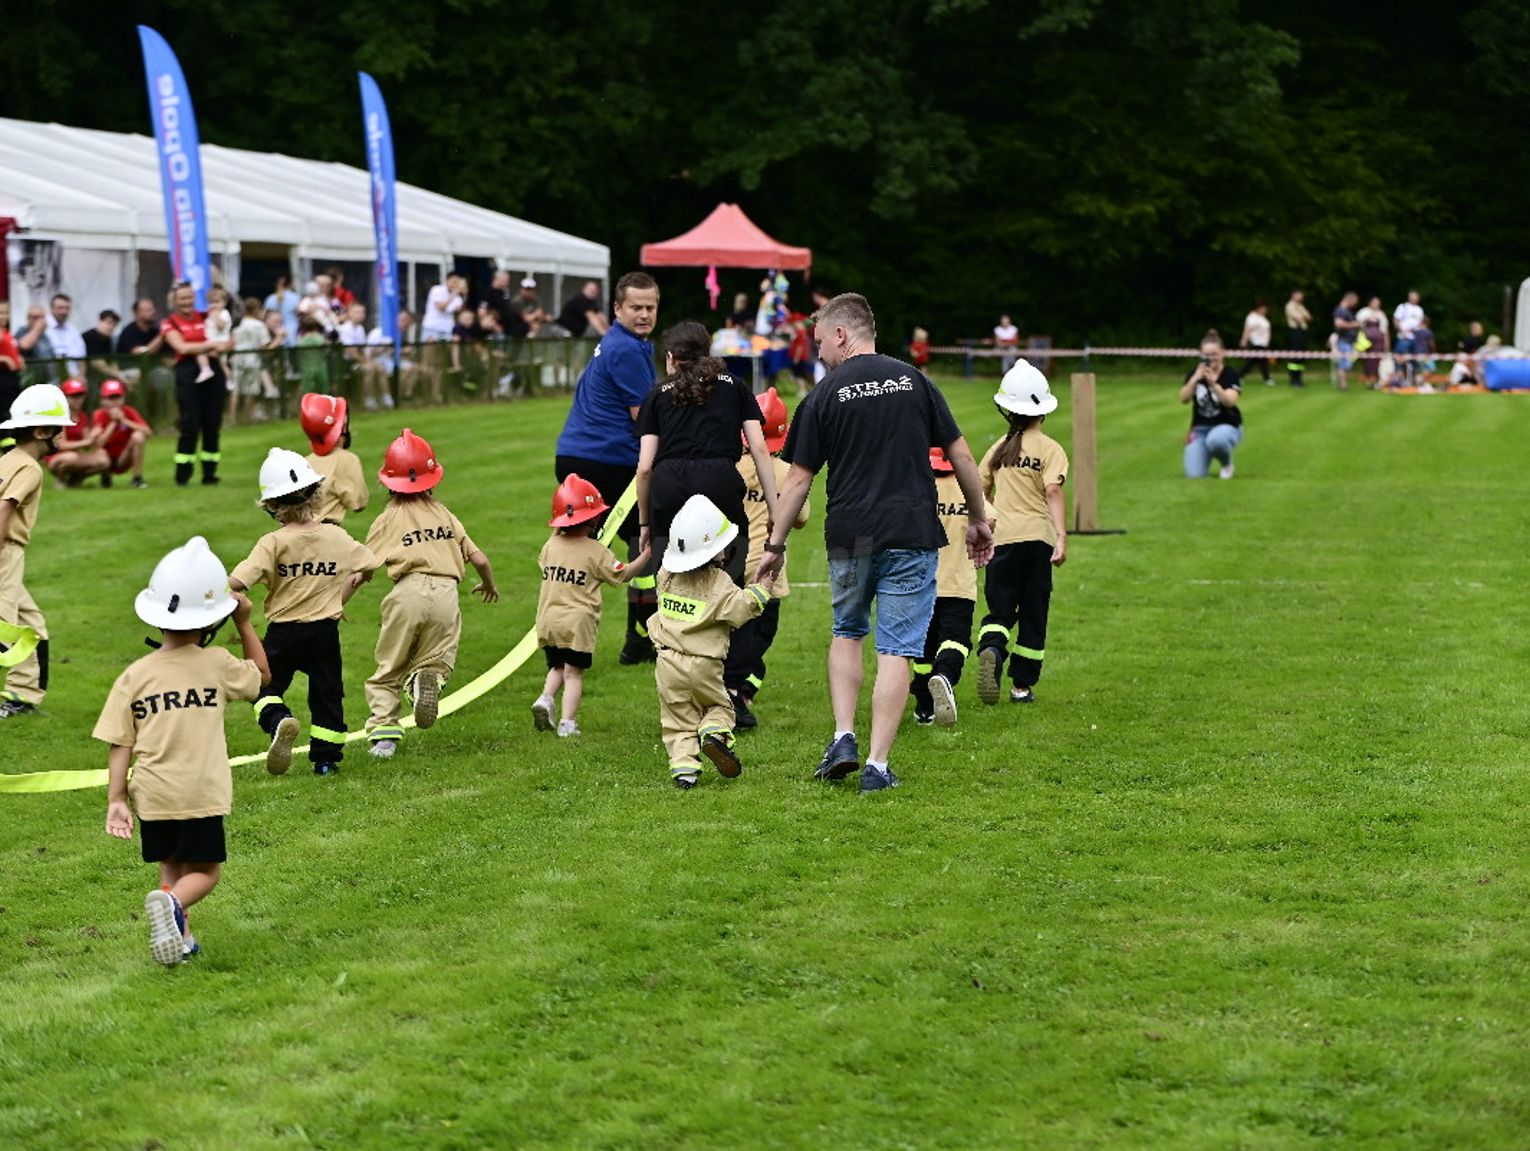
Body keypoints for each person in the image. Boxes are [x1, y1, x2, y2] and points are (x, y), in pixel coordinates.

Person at [757, 292, 994, 793]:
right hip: (911, 532)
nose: (819, 353)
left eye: (820, 342)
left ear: (841, 335)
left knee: (847, 630)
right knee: (897, 648)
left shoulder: (821, 397)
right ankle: (878, 766)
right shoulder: (915, 381)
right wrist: (978, 518)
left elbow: (798, 481)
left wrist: (774, 547)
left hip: (850, 533)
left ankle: (843, 737)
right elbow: (963, 457)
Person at [97, 536, 271, 965]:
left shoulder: (135, 675)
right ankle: (174, 909)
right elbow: (262, 677)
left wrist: (116, 799)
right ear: (213, 617)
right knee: (205, 872)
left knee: (171, 869)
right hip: (199, 790)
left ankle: (181, 941)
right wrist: (245, 623)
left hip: (153, 794)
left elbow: (121, 743)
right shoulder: (215, 663)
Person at [228, 449, 378, 777]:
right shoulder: (336, 536)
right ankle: (326, 761)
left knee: (262, 688)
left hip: (284, 632)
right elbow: (369, 563)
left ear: (272, 505)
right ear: (317, 493)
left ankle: (278, 720)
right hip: (324, 631)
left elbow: (237, 582)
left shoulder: (272, 543)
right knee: (327, 695)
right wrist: (354, 582)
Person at [364, 428, 498, 758]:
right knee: (435, 661)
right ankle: (425, 681)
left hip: (407, 592)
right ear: (432, 476)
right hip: (447, 593)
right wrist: (489, 585)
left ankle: (384, 737)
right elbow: (479, 558)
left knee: (389, 665)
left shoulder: (387, 519)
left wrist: (335, 603)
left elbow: (362, 570)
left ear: (387, 481)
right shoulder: (444, 514)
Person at [553, 270, 661, 663]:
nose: (644, 314)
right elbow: (645, 419)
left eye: (650, 307)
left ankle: (568, 638)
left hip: (580, 456)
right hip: (604, 461)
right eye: (636, 307)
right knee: (645, 543)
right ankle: (637, 637)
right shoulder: (628, 350)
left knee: (586, 551)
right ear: (617, 309)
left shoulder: (625, 342)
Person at [635, 320, 780, 587]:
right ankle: (728, 621)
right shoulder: (735, 386)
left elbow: (644, 467)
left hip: (669, 484)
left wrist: (645, 524)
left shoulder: (656, 395)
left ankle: (672, 623)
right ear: (708, 353)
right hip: (719, 480)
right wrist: (774, 508)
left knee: (668, 578)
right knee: (731, 572)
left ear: (670, 357)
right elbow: (759, 448)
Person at [649, 493, 773, 789]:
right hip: (704, 664)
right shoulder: (719, 583)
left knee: (677, 720)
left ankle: (685, 772)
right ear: (715, 552)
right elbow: (742, 608)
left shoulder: (665, 576)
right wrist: (763, 590)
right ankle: (713, 735)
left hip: (667, 663)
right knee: (720, 707)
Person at [976, 363, 1069, 706]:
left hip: (1003, 541)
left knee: (999, 610)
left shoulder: (999, 448)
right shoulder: (1050, 449)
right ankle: (1021, 686)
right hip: (1038, 542)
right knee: (1033, 612)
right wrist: (1061, 536)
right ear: (1042, 411)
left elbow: (978, 487)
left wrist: (985, 521)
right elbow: (1053, 492)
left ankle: (991, 648)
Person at [532, 474, 651, 737]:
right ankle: (567, 724)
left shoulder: (551, 546)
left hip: (548, 620)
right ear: (596, 518)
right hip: (577, 623)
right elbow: (624, 573)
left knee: (557, 667)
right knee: (574, 674)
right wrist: (647, 554)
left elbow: (547, 554)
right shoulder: (597, 552)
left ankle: (545, 698)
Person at [723, 387, 808, 729]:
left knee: (734, 630)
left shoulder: (732, 464)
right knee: (762, 630)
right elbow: (801, 518)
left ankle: (737, 688)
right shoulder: (787, 470)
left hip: (731, 562)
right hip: (768, 565)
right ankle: (733, 691)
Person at [0, 384, 74, 718]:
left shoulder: (8, 459)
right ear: (42, 431)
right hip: (5, 550)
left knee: (32, 625)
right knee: (2, 626)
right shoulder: (29, 468)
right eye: (60, 429)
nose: (63, 435)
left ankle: (22, 695)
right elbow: (6, 507)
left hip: (8, 551)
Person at [911, 447, 976, 726]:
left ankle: (924, 707)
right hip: (959, 584)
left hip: (920, 583)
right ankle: (946, 677)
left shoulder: (917, 489)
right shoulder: (966, 489)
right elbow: (990, 519)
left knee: (923, 649)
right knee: (956, 640)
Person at [161, 283, 229, 486]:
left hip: (214, 369)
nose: (187, 302)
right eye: (182, 298)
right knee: (190, 423)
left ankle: (210, 473)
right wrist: (210, 345)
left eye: (189, 297)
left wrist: (223, 344)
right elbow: (181, 347)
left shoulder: (206, 315)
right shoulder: (170, 322)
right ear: (174, 301)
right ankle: (183, 475)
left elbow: (226, 336)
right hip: (188, 371)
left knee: (212, 422)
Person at [1180, 330, 1243, 479]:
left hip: (1227, 425)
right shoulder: (1195, 374)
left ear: (1222, 353)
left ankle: (1227, 464)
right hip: (1200, 429)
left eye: (1214, 354)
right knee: (1194, 475)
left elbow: (1229, 402)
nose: (1210, 358)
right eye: (1206, 355)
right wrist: (1194, 379)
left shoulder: (1230, 374)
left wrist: (1214, 384)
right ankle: (1204, 452)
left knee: (1216, 440)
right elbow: (1183, 399)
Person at [300, 393, 369, 527]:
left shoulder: (302, 462)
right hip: (325, 533)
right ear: (342, 426)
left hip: (295, 535)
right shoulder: (347, 460)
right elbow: (359, 503)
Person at [46, 378, 112, 486]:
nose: (78, 399)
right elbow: (61, 445)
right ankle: (61, 479)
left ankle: (75, 480)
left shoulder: (82, 416)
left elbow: (88, 446)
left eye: (80, 395)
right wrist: (87, 441)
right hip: (57, 457)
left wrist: (94, 437)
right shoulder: (59, 416)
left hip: (77, 455)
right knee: (71, 457)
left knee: (103, 459)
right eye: (74, 396)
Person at [91, 379, 151, 488]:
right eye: (110, 398)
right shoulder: (98, 415)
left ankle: (137, 479)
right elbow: (98, 444)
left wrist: (124, 421)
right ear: (102, 400)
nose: (114, 402)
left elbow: (147, 432)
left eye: (117, 397)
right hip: (105, 459)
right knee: (100, 452)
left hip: (123, 458)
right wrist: (114, 423)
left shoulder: (129, 411)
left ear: (123, 398)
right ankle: (105, 475)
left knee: (138, 436)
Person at [231, 297, 278, 423]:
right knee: (250, 391)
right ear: (257, 309)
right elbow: (265, 346)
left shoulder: (237, 323)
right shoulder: (259, 325)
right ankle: (246, 418)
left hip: (237, 359)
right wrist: (278, 339)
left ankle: (232, 419)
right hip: (253, 360)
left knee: (236, 390)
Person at [46, 293, 87, 381]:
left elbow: (82, 358)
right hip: (54, 380)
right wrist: (74, 379)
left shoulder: (73, 329)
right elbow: (56, 361)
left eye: (67, 308)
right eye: (60, 308)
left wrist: (81, 377)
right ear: (52, 309)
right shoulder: (45, 328)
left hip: (76, 382)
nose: (64, 312)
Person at [1356, 295, 1389, 387]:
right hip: (1365, 341)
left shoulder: (1381, 314)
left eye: (1378, 303)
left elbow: (1385, 331)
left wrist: (1386, 344)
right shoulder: (1363, 312)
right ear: (1370, 303)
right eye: (1375, 302)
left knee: (1375, 360)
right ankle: (1368, 378)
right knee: (1366, 360)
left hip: (1378, 341)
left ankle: (1374, 379)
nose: (1377, 305)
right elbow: (1358, 326)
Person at [1393, 290, 1424, 386]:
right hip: (1404, 338)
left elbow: (1420, 323)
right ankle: (1399, 380)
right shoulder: (1403, 307)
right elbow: (1396, 320)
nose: (1414, 298)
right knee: (1400, 359)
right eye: (1412, 296)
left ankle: (1412, 380)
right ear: (1409, 297)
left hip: (1415, 338)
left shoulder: (1419, 310)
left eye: (1416, 296)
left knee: (1414, 360)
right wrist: (1402, 331)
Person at [82, 309, 121, 385]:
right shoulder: (89, 337)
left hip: (104, 376)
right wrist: (117, 375)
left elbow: (112, 360)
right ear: (99, 321)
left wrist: (118, 374)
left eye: (114, 325)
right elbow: (97, 363)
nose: (111, 327)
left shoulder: (108, 339)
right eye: (109, 323)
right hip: (89, 377)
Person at [1237, 301, 1272, 384]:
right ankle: (1267, 379)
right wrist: (1244, 340)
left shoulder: (1262, 318)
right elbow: (1248, 329)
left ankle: (1239, 376)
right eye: (1264, 309)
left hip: (1263, 343)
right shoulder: (1252, 317)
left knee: (1251, 362)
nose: (1265, 310)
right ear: (1259, 308)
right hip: (1256, 343)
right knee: (1261, 362)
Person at [1332, 292, 1360, 391]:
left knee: (1346, 364)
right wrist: (1354, 324)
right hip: (1344, 341)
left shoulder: (1345, 311)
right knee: (1344, 364)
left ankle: (1344, 384)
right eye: (1355, 302)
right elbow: (1339, 324)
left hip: (1348, 341)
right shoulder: (1341, 310)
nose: (1355, 304)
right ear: (1350, 299)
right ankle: (1343, 385)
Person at [1283, 290, 1311, 388]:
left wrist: (1303, 317)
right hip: (1295, 331)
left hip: (1302, 331)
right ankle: (1293, 379)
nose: (1301, 297)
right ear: (1294, 295)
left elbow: (1309, 317)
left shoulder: (1300, 306)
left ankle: (1299, 378)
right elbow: (1298, 319)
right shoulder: (1290, 306)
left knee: (1301, 356)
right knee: (1295, 356)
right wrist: (1303, 317)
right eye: (1300, 295)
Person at [264, 276, 301, 348]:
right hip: (292, 329)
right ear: (290, 284)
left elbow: (265, 315)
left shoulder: (270, 298)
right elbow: (299, 312)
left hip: (274, 331)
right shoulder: (295, 297)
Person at [0, 302, 21, 425]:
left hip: (12, 378)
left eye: (6, 313)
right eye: (0, 313)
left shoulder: (6, 333)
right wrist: (4, 359)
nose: (4, 316)